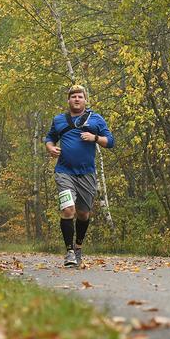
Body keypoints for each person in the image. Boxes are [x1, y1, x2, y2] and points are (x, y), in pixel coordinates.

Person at [44, 85, 114, 268]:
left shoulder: (96, 119)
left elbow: (110, 141)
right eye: (73, 96)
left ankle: (78, 247)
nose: (76, 99)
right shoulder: (59, 120)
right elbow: (49, 138)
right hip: (64, 172)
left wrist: (95, 138)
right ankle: (68, 253)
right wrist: (51, 148)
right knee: (68, 210)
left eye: (80, 96)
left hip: (87, 174)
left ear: (85, 100)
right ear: (68, 100)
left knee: (83, 214)